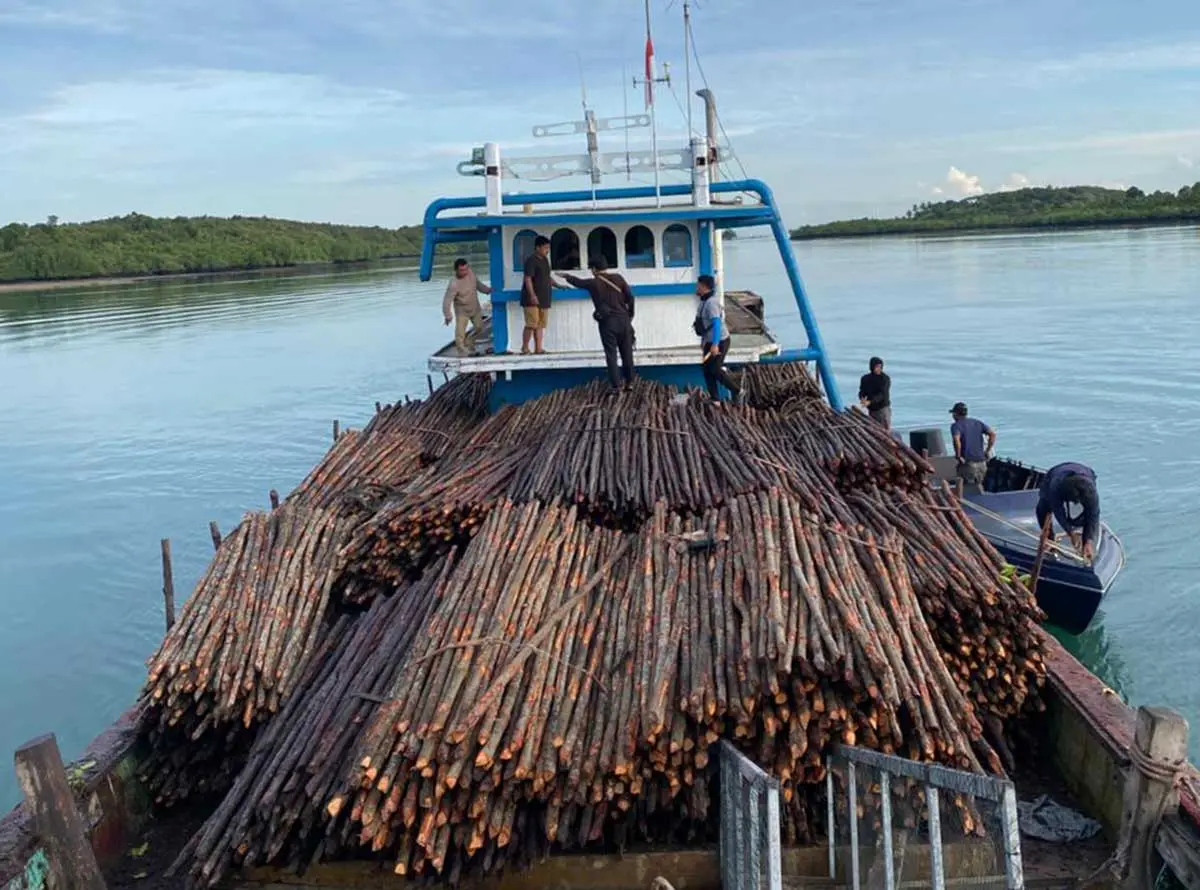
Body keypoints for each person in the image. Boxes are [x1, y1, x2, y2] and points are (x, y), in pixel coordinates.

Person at [557, 257, 636, 391]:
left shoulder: (594, 283)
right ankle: (630, 382)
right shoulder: (618, 278)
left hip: (608, 322)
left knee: (611, 355)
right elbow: (630, 297)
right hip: (624, 320)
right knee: (627, 353)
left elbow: (579, 283)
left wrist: (567, 276)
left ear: (594, 269)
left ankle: (616, 386)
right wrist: (630, 315)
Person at [1036, 462, 1101, 559]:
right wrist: (1070, 532)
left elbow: (1093, 514)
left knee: (1088, 517)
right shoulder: (1056, 485)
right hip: (1055, 475)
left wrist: (1089, 541)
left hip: (1085, 474)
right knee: (1043, 508)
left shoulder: (1091, 491)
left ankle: (1085, 547)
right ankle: (1049, 539)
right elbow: (1058, 511)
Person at [694, 274, 741, 402]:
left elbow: (716, 324)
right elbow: (704, 325)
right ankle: (715, 399)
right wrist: (704, 342)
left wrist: (715, 344)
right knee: (707, 370)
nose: (696, 288)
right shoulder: (703, 303)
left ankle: (737, 390)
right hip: (709, 341)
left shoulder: (711, 303)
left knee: (715, 368)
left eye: (698, 286)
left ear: (704, 287)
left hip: (720, 341)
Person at [520, 235, 563, 355]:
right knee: (531, 323)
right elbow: (528, 278)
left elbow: (547, 276)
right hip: (531, 299)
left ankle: (538, 348)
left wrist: (557, 285)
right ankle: (525, 348)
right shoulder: (531, 260)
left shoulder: (545, 260)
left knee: (540, 324)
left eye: (548, 248)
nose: (547, 250)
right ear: (537, 248)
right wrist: (532, 295)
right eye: (545, 248)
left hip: (544, 297)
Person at [442, 258, 492, 356]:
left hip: (474, 307)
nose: (465, 272)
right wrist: (448, 315)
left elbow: (478, 285)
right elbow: (447, 301)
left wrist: (488, 290)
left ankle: (469, 341)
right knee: (460, 334)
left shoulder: (471, 274)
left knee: (479, 328)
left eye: (466, 269)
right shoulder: (453, 284)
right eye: (462, 270)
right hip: (462, 311)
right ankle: (461, 351)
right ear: (456, 270)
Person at [949, 402, 996, 494]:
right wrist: (987, 450)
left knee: (966, 489)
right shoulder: (977, 422)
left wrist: (958, 455)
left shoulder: (956, 426)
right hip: (982, 463)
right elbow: (992, 434)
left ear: (956, 414)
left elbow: (956, 440)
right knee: (978, 487)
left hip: (968, 463)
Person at [858, 357, 891, 429]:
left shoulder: (885, 379)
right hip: (871, 410)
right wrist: (862, 398)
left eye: (880, 367)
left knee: (884, 430)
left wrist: (870, 402)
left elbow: (882, 395)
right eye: (877, 367)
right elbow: (862, 391)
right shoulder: (865, 378)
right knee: (873, 429)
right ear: (872, 367)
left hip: (882, 409)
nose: (879, 369)